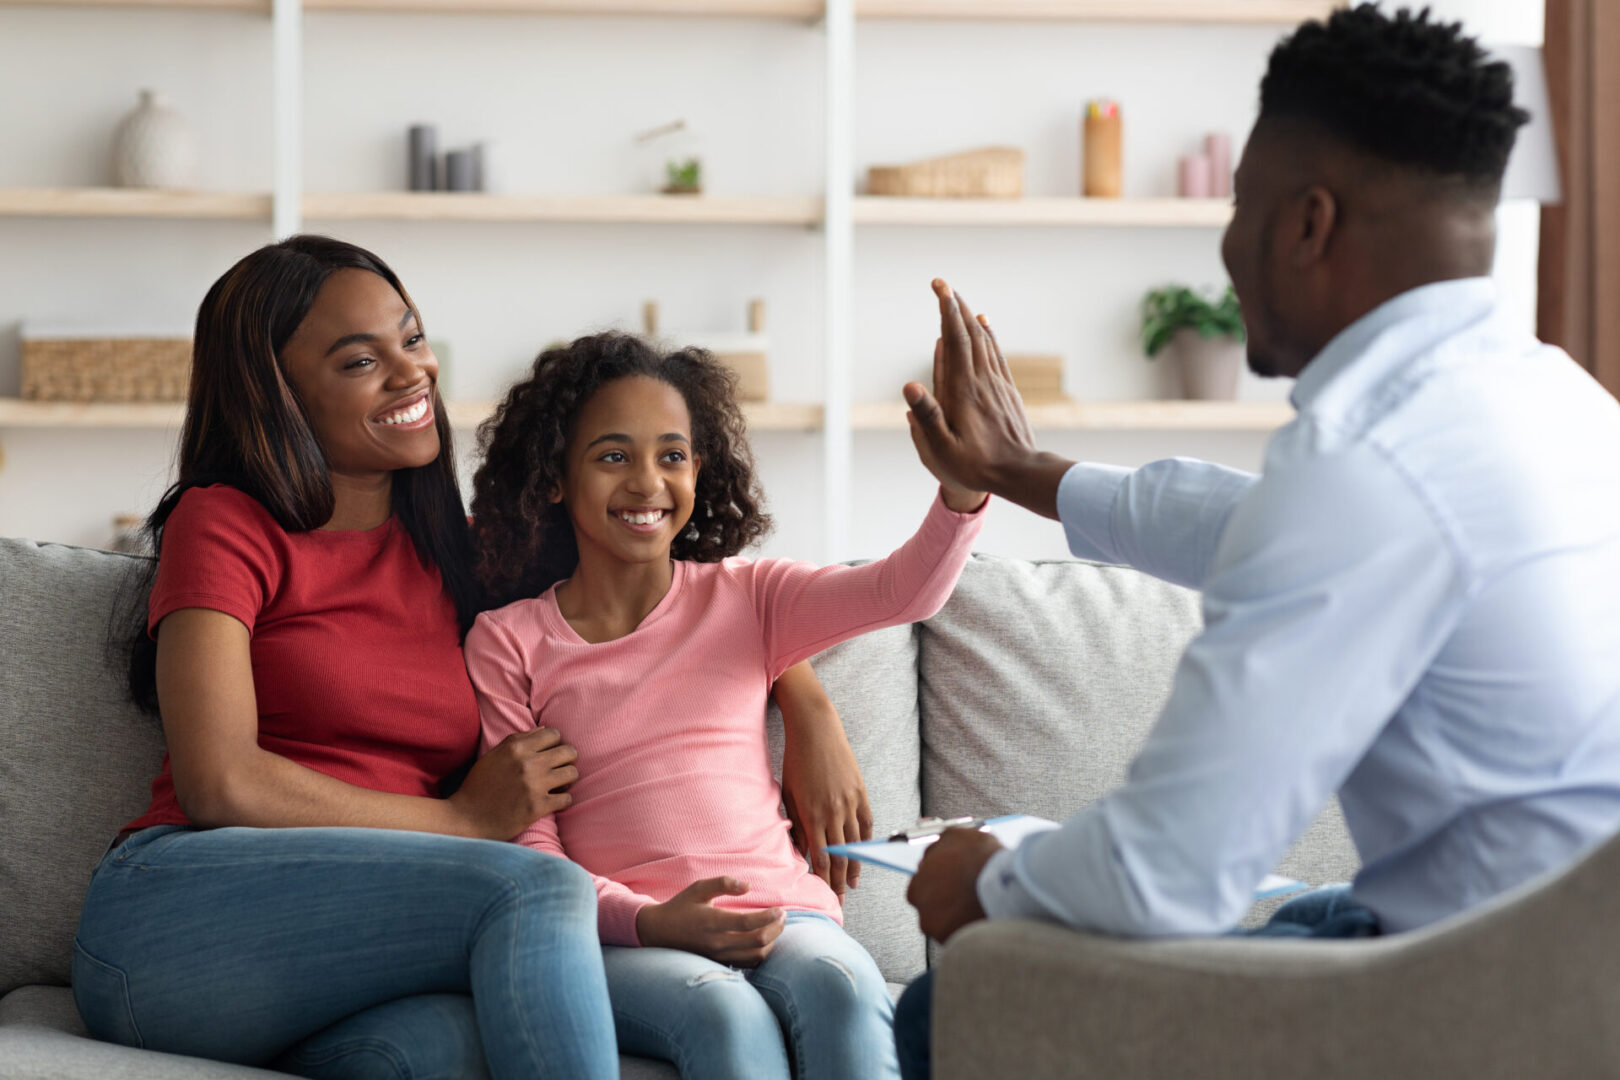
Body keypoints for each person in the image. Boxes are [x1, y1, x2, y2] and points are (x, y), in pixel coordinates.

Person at [890, 6, 1620, 1077]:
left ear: (1307, 222)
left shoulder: (1367, 466)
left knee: (954, 997)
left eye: (1240, 206)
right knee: (1305, 911)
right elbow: (1247, 525)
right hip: (1567, 961)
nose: (1227, 247)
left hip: (1482, 1003)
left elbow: (1162, 875)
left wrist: (990, 875)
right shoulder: (1563, 405)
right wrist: (1022, 474)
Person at [75, 235, 873, 1079]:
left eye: (411, 340)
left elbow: (661, 597)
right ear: (276, 392)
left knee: (442, 1052)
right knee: (538, 888)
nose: (410, 372)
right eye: (359, 361)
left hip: (352, 952)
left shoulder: (453, 554)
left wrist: (806, 700)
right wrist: (460, 823)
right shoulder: (225, 521)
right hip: (177, 922)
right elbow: (219, 781)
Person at [462, 331, 988, 1080]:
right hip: (628, 936)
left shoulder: (749, 597)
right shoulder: (508, 642)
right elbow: (531, 849)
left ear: (698, 471)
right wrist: (647, 919)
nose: (647, 481)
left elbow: (903, 591)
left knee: (841, 984)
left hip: (786, 913)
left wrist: (961, 492)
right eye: (613, 456)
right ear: (554, 478)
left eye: (672, 455)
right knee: (722, 1010)